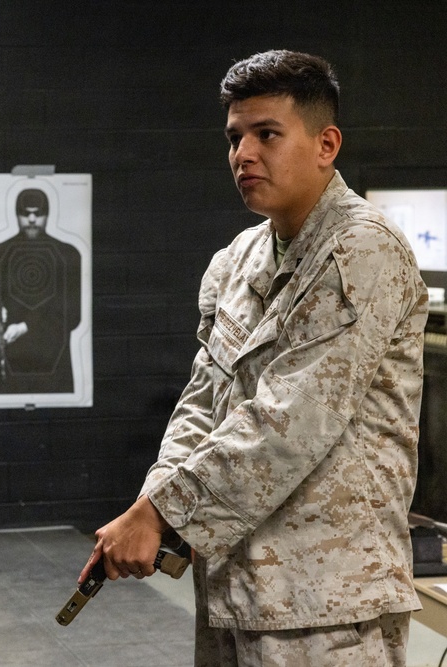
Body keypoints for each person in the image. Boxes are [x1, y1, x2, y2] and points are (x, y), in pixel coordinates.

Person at [81, 50, 427, 666]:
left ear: (326, 144)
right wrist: (156, 506)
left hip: (327, 602)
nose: (244, 154)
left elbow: (287, 422)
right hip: (235, 585)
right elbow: (203, 401)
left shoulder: (362, 251)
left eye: (267, 134)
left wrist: (160, 513)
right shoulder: (237, 259)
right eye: (235, 137)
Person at [0, 187, 81, 394]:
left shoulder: (67, 255)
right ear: (16, 214)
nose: (32, 219)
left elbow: (71, 314)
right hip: (10, 361)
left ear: (48, 214)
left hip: (53, 361)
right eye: (25, 213)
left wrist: (25, 326)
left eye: (38, 213)